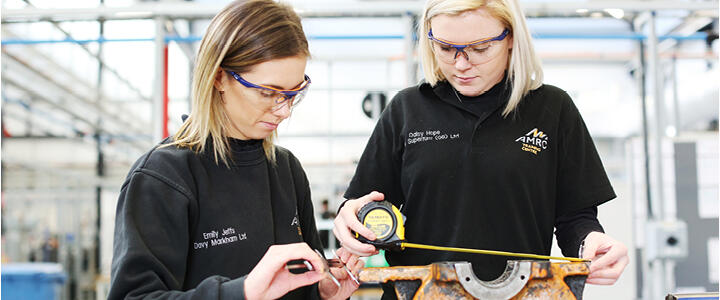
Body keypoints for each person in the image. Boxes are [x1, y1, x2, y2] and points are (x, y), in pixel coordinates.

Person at [333, 0, 629, 298]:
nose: (461, 64)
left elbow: (574, 219)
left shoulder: (552, 110)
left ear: (510, 38)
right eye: (446, 48)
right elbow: (366, 208)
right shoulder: (407, 110)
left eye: (480, 49)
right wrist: (350, 220)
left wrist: (590, 242)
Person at [108, 1, 362, 299]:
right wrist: (241, 293)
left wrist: (321, 293)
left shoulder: (286, 171)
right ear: (218, 77)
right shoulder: (163, 177)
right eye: (268, 92)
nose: (284, 110)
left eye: (294, 93)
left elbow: (302, 281)